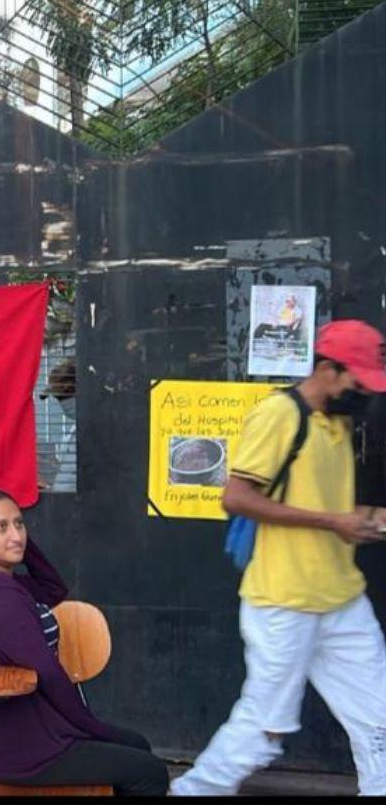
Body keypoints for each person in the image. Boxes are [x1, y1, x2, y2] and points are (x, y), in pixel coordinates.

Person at [171, 320, 386, 796]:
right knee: (262, 733)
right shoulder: (279, 415)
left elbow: (333, 508)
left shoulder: (336, 423)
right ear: (329, 370)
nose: (364, 394)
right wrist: (335, 524)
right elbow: (237, 498)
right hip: (283, 602)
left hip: (341, 599)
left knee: (381, 725)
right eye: (359, 380)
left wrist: (367, 519)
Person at [0, 488, 168, 796]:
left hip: (15, 735)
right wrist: (92, 728)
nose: (16, 534)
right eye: (1, 527)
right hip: (24, 747)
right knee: (149, 773)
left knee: (137, 746)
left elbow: (53, 589)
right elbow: (49, 675)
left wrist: (16, 545)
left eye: (20, 524)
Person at [38, 361, 76, 492]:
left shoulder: (94, 428)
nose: (61, 403)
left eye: (62, 397)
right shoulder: (74, 429)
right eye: (57, 398)